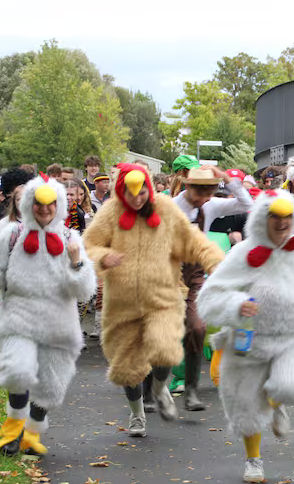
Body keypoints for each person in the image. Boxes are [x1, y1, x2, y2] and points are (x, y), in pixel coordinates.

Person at [196, 189, 294, 483]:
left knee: (292, 387)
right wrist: (236, 304)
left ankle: (276, 404)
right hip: (248, 340)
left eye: (287, 217)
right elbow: (209, 296)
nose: (282, 222)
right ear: (263, 217)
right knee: (246, 406)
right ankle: (253, 461)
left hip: (292, 337)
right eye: (275, 216)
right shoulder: (243, 252)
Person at [82, 164, 225, 437]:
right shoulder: (110, 212)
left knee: (164, 350)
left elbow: (192, 240)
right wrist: (103, 256)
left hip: (162, 297)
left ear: (149, 187)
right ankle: (137, 414)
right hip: (122, 304)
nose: (137, 199)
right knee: (127, 368)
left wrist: (215, 263)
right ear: (121, 191)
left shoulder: (165, 208)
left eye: (142, 192)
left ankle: (159, 388)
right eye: (131, 193)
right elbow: (89, 244)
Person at [0, 175, 97, 457]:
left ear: (59, 205)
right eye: (39, 204)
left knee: (51, 388)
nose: (44, 209)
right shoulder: (12, 234)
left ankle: (32, 433)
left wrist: (77, 261)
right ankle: (13, 432)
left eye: (50, 204)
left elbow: (84, 291)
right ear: (29, 204)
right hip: (18, 317)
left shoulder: (70, 238)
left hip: (58, 323)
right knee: (18, 371)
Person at [169, 165, 252, 410]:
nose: (205, 197)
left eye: (209, 191)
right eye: (200, 191)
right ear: (188, 186)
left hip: (195, 273)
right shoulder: (170, 207)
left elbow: (247, 204)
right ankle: (162, 380)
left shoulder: (211, 205)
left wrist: (226, 178)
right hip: (168, 272)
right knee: (168, 330)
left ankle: (190, 388)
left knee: (197, 327)